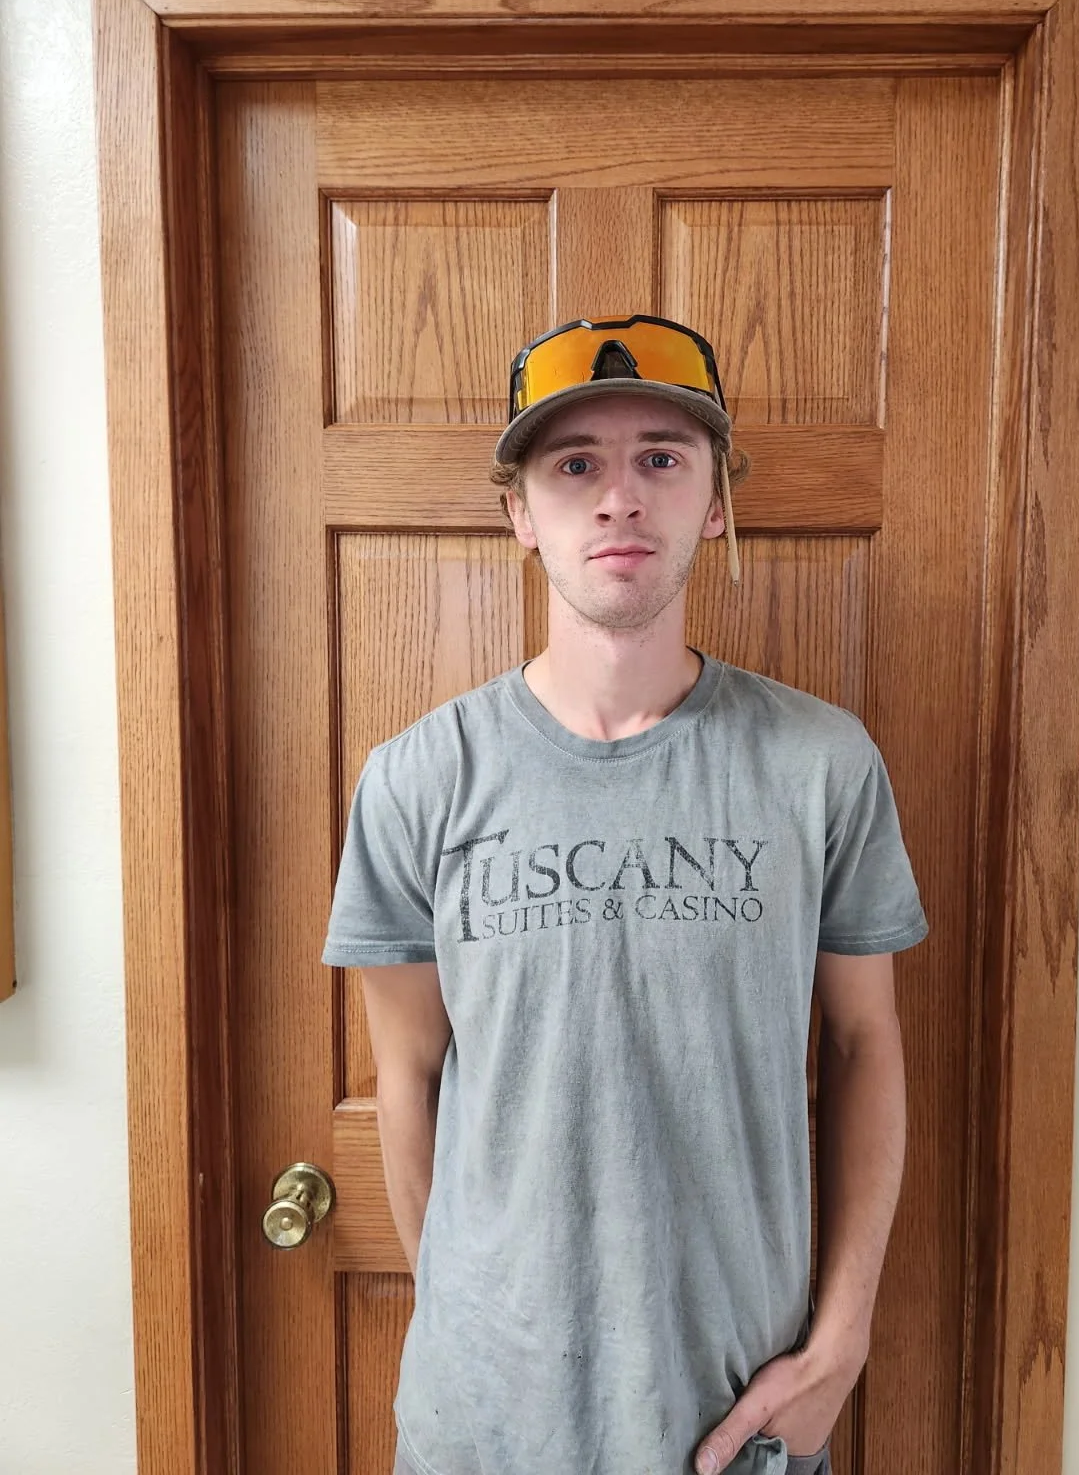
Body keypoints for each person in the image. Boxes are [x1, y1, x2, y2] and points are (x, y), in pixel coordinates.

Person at [321, 316, 930, 1475]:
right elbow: (408, 1076)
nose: (618, 498)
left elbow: (863, 1042)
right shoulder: (418, 780)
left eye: (661, 456)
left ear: (712, 500)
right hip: (480, 1431)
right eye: (574, 465)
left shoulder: (819, 765)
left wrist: (841, 1346)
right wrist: (469, 1325)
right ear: (520, 513)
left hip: (737, 1416)